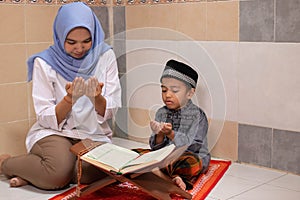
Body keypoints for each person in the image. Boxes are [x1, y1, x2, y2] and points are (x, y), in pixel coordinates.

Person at [0, 2, 121, 190]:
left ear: (94, 35)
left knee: (104, 170)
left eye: (87, 41)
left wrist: (96, 98)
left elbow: (111, 109)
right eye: (71, 42)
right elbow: (44, 116)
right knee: (58, 174)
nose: (79, 48)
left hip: (91, 133)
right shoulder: (44, 62)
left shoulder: (105, 56)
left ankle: (33, 173)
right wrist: (69, 100)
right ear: (59, 35)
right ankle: (5, 163)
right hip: (55, 132)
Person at [149, 59, 210, 191]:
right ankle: (169, 175)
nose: (168, 95)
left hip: (189, 156)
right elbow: (155, 147)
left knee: (190, 162)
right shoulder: (161, 113)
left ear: (190, 93)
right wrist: (159, 134)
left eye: (174, 90)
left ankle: (169, 175)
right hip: (164, 157)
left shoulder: (198, 116)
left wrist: (171, 134)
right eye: (164, 90)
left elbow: (194, 145)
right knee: (136, 155)